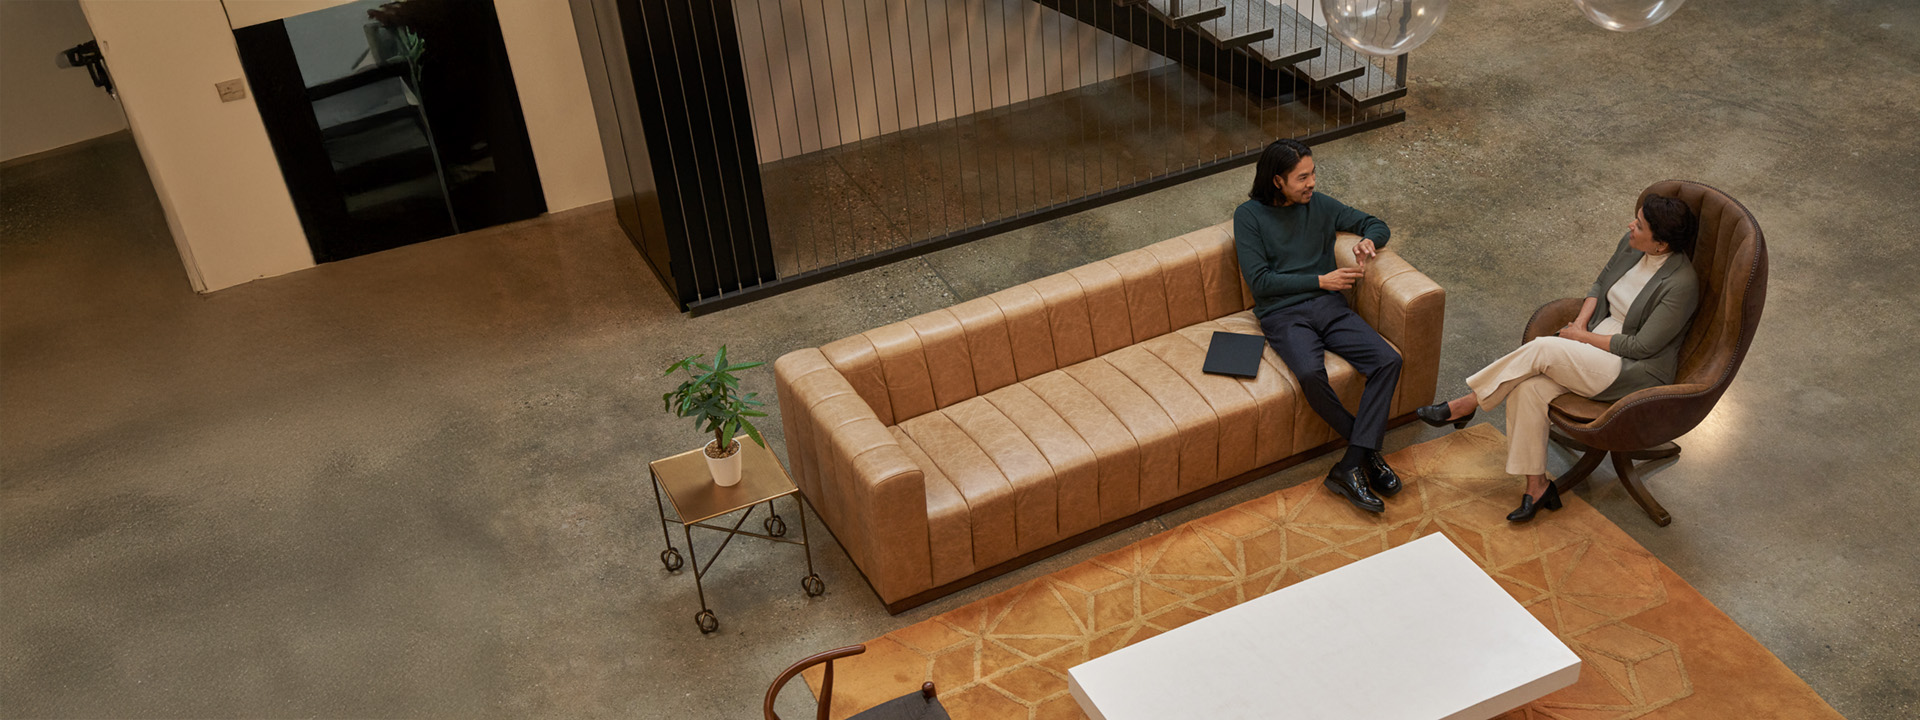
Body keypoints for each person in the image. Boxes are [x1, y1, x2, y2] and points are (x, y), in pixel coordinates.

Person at [1416, 194, 1701, 522]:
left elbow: (1641, 348)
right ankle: (1536, 486)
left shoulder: (1681, 284)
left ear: (1661, 244)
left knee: (1543, 348)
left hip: (1631, 369)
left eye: (1638, 225)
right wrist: (1581, 322)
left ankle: (1467, 403)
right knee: (1527, 389)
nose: (1630, 226)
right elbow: (1599, 284)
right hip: (1595, 342)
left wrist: (1581, 337)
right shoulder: (1631, 244)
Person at [1235, 139, 1402, 514]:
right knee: (1311, 373)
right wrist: (1320, 280)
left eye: (1313, 174)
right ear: (1278, 181)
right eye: (1302, 177)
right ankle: (1367, 455)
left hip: (1330, 308)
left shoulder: (1320, 205)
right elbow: (1260, 281)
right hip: (1283, 313)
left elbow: (1375, 223)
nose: (1312, 183)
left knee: (1387, 360)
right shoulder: (1248, 216)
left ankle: (1351, 463)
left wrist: (1368, 242)